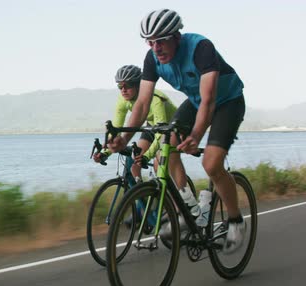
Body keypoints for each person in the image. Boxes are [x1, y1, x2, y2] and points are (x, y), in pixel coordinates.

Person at [108, 9, 246, 254]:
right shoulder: (152, 59)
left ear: (177, 37)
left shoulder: (201, 48)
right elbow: (141, 104)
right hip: (195, 102)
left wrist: (196, 135)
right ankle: (190, 210)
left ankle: (236, 220)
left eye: (161, 40)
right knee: (167, 150)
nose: (156, 47)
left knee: (211, 164)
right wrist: (124, 137)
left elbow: (209, 99)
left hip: (227, 102)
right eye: (150, 42)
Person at [103, 65, 179, 182]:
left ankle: (171, 197)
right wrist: (105, 153)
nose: (123, 89)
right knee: (134, 166)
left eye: (127, 85)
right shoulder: (122, 100)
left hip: (171, 128)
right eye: (120, 86)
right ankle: (141, 194)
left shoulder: (155, 99)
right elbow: (116, 131)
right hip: (152, 126)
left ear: (138, 85)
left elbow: (161, 132)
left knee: (158, 165)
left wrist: (147, 156)